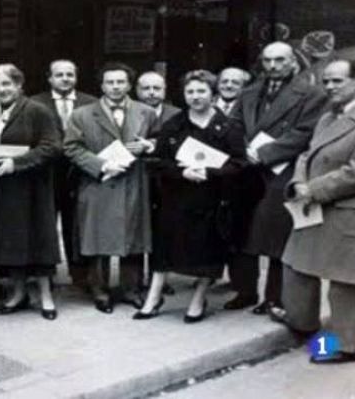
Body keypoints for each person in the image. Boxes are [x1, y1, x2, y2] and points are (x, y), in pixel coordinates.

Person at [270, 59, 355, 363]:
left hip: (354, 212)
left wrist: (312, 189)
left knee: (346, 283)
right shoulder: (329, 117)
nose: (329, 87)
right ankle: (302, 324)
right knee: (297, 266)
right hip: (315, 206)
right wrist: (300, 182)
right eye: (325, 81)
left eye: (336, 81)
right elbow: (306, 154)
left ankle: (345, 346)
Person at [135, 70, 246, 322]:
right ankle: (154, 295)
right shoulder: (173, 125)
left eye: (201, 91)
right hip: (177, 197)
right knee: (166, 248)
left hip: (213, 198)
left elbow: (240, 164)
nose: (195, 97)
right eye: (190, 92)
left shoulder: (229, 127)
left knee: (208, 249)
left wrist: (209, 172)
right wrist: (182, 172)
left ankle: (199, 296)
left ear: (213, 93)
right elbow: (158, 162)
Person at [225, 41, 327, 314]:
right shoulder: (249, 92)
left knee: (276, 235)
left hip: (283, 169)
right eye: (268, 61)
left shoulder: (311, 94)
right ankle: (244, 291)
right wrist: (243, 150)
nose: (273, 66)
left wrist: (267, 152)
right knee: (242, 230)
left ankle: (274, 297)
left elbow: (305, 132)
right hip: (248, 167)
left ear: (293, 61)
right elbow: (234, 125)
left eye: (280, 60)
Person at [0, 63, 62, 320]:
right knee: (10, 243)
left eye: (7, 84)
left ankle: (46, 297)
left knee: (37, 240)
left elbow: (51, 146)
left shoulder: (37, 111)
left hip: (30, 189)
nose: (1, 89)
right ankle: (18, 293)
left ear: (19, 85)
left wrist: (15, 163)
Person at [64, 62, 159, 313]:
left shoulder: (146, 112)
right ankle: (100, 290)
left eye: (120, 82)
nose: (115, 87)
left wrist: (149, 145)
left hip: (133, 182)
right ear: (101, 85)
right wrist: (101, 165)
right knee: (97, 238)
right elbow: (71, 147)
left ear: (129, 85)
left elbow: (161, 139)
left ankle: (132, 288)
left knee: (134, 237)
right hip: (98, 183)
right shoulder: (82, 114)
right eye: (110, 82)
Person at [30, 60, 97, 289]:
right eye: (59, 75)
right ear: (49, 78)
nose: (65, 79)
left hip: (80, 172)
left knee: (77, 224)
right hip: (46, 172)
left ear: (76, 77)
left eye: (70, 74)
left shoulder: (91, 103)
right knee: (45, 223)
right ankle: (44, 274)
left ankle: (79, 275)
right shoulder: (35, 103)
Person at [135, 70, 182, 299]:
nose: (151, 93)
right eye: (146, 88)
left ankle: (159, 278)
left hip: (166, 180)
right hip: (137, 177)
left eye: (157, 88)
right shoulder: (129, 111)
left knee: (162, 230)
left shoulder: (177, 115)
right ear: (137, 90)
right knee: (136, 227)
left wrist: (154, 145)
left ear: (164, 91)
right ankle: (134, 281)